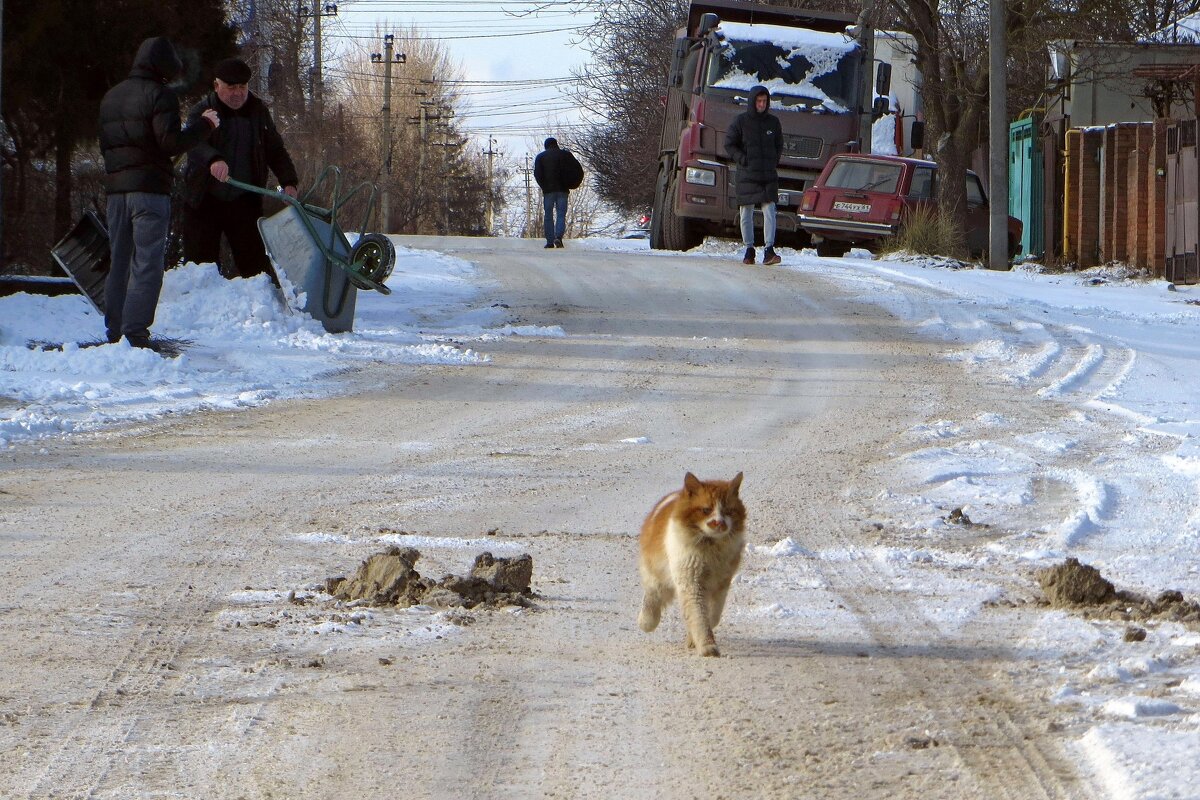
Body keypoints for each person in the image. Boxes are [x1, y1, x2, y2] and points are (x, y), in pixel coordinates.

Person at [98, 36, 220, 350]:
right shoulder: (160, 95)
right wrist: (204, 126)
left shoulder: (111, 96)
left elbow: (106, 146)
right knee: (147, 262)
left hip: (116, 192)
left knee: (120, 260)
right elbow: (170, 143)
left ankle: (114, 330)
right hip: (149, 192)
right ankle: (135, 332)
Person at [182, 57, 299, 280]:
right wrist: (213, 160)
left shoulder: (258, 112)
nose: (237, 93)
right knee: (200, 267)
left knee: (254, 266)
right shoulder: (202, 111)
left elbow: (275, 150)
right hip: (204, 198)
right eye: (231, 87)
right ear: (217, 86)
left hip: (244, 199)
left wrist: (289, 181)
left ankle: (261, 305)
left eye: (242, 87)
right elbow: (192, 143)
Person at [724, 85, 783, 266]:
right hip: (747, 174)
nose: (762, 104)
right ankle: (749, 250)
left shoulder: (773, 123)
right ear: (752, 101)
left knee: (770, 210)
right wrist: (742, 159)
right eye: (759, 101)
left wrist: (773, 161)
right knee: (746, 213)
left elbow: (779, 145)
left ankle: (769, 250)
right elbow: (729, 144)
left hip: (768, 175)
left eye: (764, 101)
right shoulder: (740, 121)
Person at [533, 137, 583, 249]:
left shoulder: (541, 157)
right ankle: (558, 237)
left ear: (546, 145)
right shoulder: (566, 155)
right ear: (556, 144)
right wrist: (572, 183)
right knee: (561, 214)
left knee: (548, 215)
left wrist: (544, 186)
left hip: (548, 191)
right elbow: (578, 170)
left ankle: (550, 241)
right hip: (563, 190)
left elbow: (537, 174)